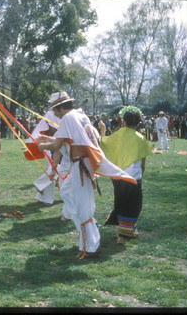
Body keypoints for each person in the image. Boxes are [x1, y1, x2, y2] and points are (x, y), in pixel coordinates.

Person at [37, 92, 136, 259]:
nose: (55, 113)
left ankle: (91, 246)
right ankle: (84, 229)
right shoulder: (80, 116)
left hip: (80, 166)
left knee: (83, 209)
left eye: (55, 110)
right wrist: (47, 139)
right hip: (83, 164)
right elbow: (70, 140)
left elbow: (57, 144)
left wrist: (41, 147)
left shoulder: (68, 118)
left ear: (61, 107)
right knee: (67, 193)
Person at [99, 106, 152, 245]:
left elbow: (103, 143)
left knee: (121, 201)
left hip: (118, 175)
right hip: (133, 176)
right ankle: (123, 235)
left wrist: (103, 130)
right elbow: (143, 162)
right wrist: (141, 175)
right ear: (139, 122)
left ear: (124, 121)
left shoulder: (116, 135)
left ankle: (129, 230)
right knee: (133, 205)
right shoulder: (140, 138)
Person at [28, 96, 61, 207]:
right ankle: (41, 187)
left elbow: (40, 130)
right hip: (53, 144)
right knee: (58, 169)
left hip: (52, 143)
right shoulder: (52, 114)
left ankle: (45, 197)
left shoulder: (53, 114)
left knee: (56, 169)